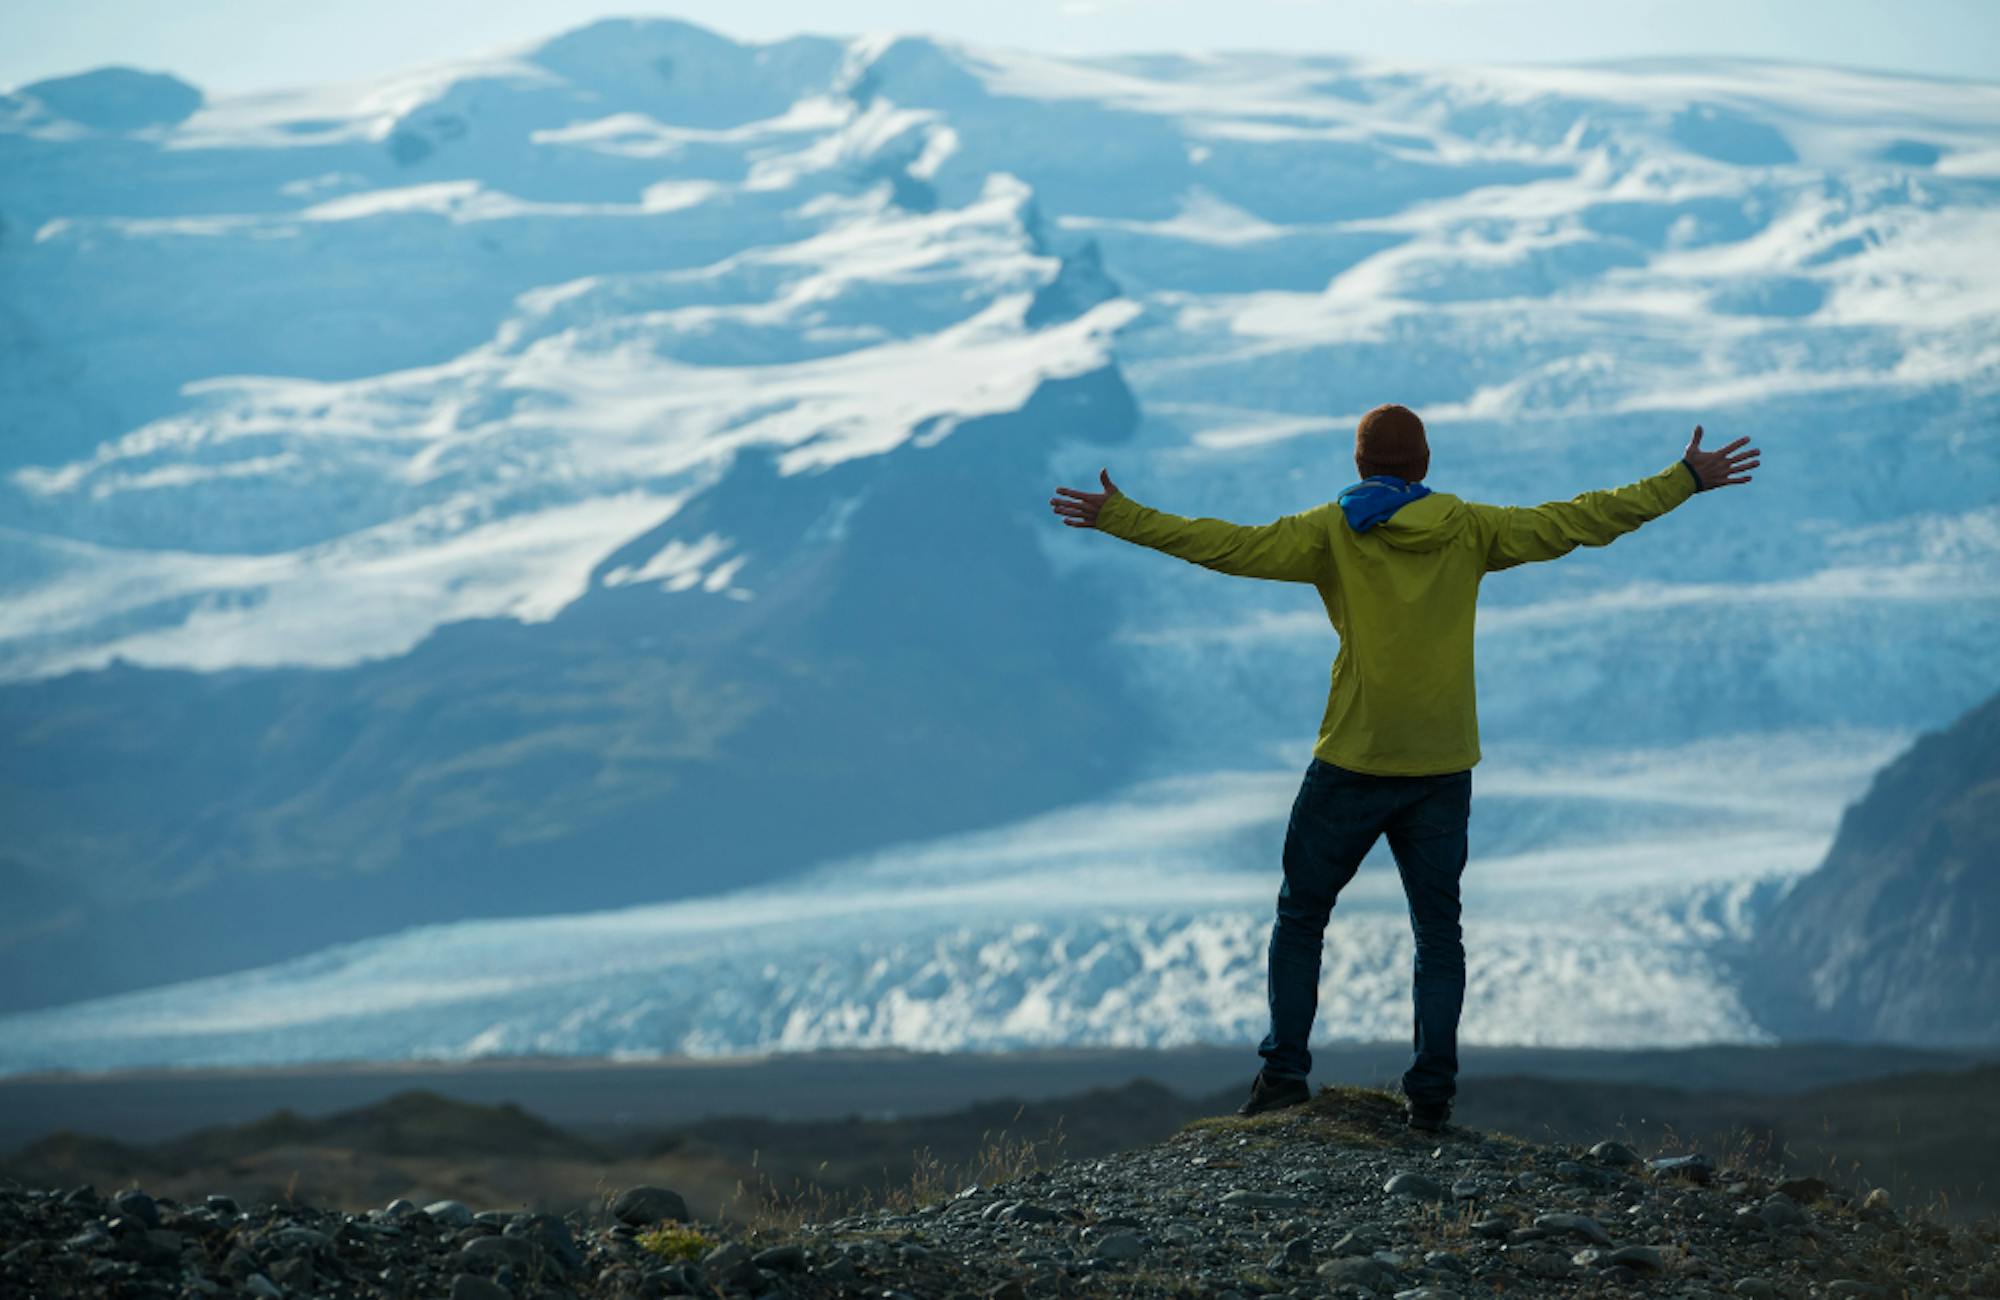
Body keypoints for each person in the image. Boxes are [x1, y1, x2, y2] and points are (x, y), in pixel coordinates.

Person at [1049, 405, 1759, 1131]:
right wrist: (1682, 481)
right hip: (1441, 763)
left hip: (1353, 758)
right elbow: (1579, 519)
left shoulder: (1330, 531)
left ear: (1359, 465)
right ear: (1424, 465)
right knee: (1437, 932)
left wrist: (1122, 518)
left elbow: (1227, 546)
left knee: (1301, 917)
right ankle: (1431, 1095)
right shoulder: (1471, 529)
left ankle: (1284, 1076)